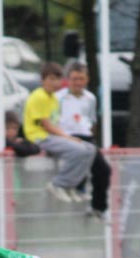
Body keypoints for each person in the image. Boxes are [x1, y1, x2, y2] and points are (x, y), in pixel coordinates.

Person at [23, 62, 96, 203]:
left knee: (90, 149)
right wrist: (69, 138)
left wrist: (70, 138)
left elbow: (55, 123)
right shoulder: (40, 96)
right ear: (43, 80)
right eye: (50, 79)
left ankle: (72, 185)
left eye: (57, 79)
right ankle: (58, 184)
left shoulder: (53, 98)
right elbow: (47, 126)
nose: (54, 83)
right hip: (39, 137)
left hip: (51, 136)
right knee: (78, 150)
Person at [56, 62, 111, 220]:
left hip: (86, 137)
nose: (77, 83)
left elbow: (91, 121)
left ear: (86, 79)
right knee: (79, 160)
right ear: (68, 80)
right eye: (74, 79)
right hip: (67, 137)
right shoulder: (59, 97)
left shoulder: (90, 98)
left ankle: (98, 207)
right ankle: (76, 188)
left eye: (81, 79)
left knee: (103, 170)